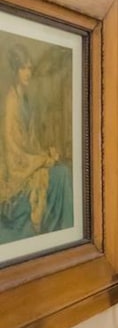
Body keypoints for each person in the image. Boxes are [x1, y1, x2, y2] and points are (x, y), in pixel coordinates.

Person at [0, 43, 73, 241]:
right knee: (62, 175)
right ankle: (64, 233)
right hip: (15, 176)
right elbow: (14, 150)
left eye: (30, 68)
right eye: (23, 68)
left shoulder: (24, 99)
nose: (28, 73)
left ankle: (66, 233)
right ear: (15, 70)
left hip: (31, 165)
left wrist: (47, 154)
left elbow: (30, 142)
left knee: (63, 172)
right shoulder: (11, 102)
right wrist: (42, 160)